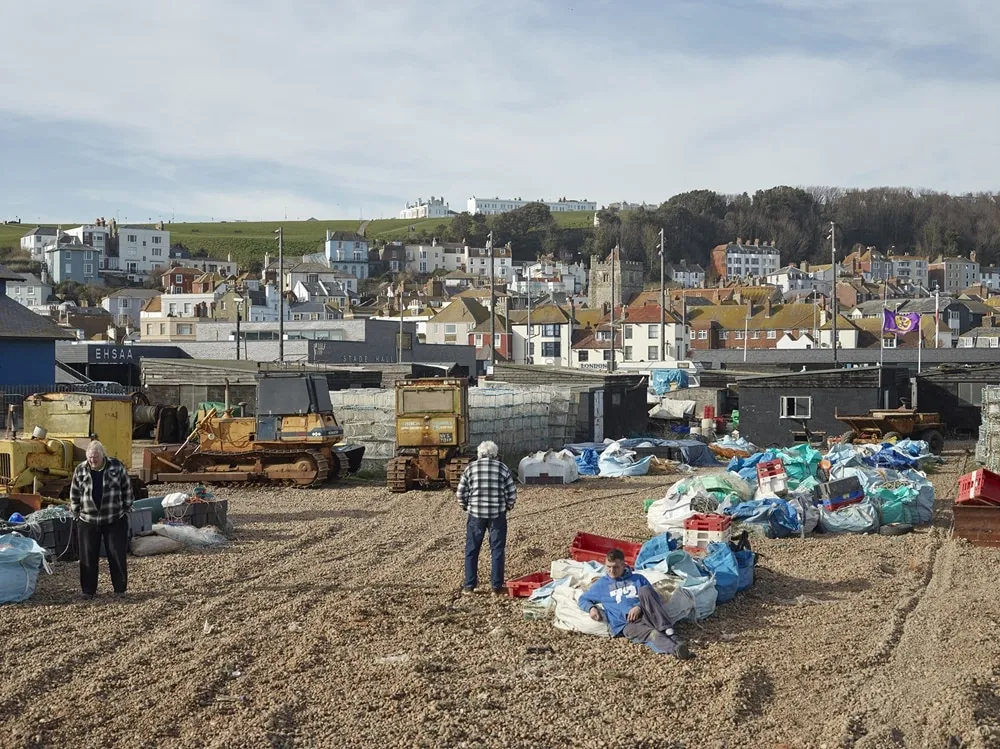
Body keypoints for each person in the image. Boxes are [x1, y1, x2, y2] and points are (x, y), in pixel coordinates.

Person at [578, 548, 692, 659]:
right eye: (608, 567)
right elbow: (583, 599)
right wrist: (591, 608)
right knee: (652, 634)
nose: (611, 571)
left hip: (647, 614)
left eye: (616, 567)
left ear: (623, 565)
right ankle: (676, 650)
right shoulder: (602, 585)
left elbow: (653, 597)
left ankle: (670, 632)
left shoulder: (638, 578)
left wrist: (639, 607)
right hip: (626, 624)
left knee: (646, 590)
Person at [69, 440, 134, 600]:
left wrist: (126, 507)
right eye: (90, 458)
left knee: (117, 554)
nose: (93, 460)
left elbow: (127, 488)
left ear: (102, 455)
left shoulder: (116, 466)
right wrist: (76, 512)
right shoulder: (81, 469)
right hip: (88, 519)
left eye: (96, 457)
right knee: (88, 556)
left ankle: (120, 589)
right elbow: (74, 492)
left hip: (114, 518)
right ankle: (88, 591)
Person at [456, 440, 517, 596]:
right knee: (497, 550)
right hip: (497, 515)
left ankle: (469, 585)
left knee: (472, 549)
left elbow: (460, 493)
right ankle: (496, 586)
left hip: (475, 515)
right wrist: (507, 506)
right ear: (495, 454)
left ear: (479, 454)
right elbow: (511, 493)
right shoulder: (502, 468)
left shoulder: (471, 468)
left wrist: (465, 506)